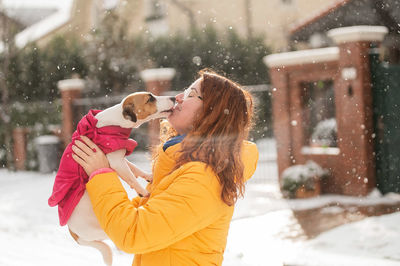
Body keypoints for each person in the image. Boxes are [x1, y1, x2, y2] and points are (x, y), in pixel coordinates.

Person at [71, 69, 259, 266]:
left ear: (212, 113)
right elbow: (141, 216)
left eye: (191, 95)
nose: (178, 97)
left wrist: (101, 175)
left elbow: (134, 233)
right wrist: (85, 216)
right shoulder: (184, 166)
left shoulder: (204, 178)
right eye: (185, 91)